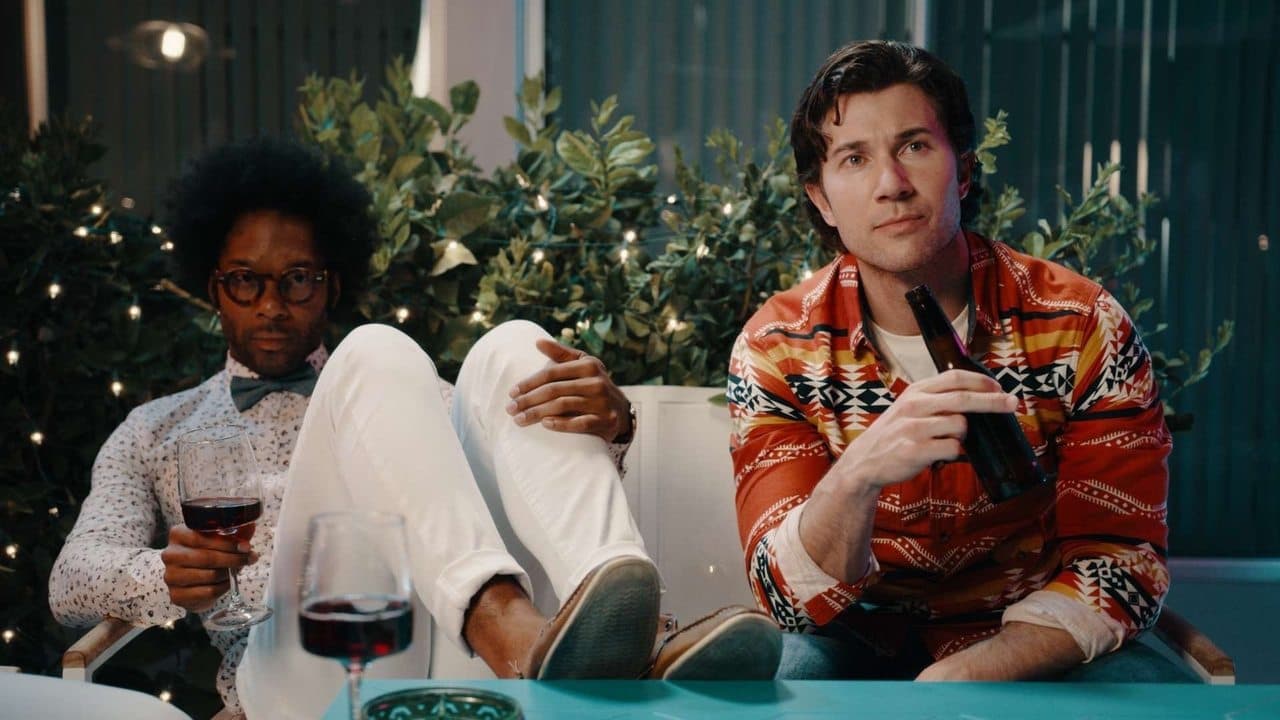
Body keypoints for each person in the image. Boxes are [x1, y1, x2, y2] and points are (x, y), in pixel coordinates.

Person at [50, 138, 780, 718]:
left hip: (451, 663)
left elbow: (525, 499)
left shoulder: (407, 399)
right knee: (374, 348)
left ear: (331, 284)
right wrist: (164, 578)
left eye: (297, 278)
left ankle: (613, 624)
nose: (271, 304)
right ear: (215, 288)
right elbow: (70, 581)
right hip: (304, 685)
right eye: (246, 280)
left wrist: (612, 428)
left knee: (511, 348)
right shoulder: (157, 429)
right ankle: (581, 659)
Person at [728, 40, 1183, 682]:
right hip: (851, 636)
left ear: (963, 171)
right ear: (821, 198)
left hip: (1030, 632)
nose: (892, 185)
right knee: (786, 685)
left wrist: (965, 675)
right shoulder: (776, 347)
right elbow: (785, 597)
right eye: (854, 158)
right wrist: (856, 476)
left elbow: (1121, 562)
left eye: (915, 146)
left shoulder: (1081, 325)